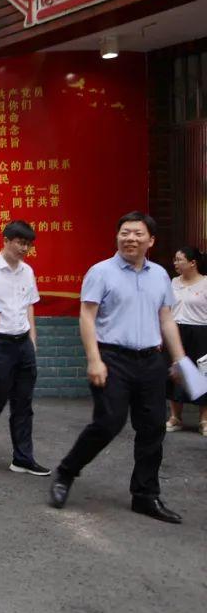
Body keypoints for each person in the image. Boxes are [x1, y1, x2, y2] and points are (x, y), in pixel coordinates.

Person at [49, 212, 188, 524]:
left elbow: (166, 318)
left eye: (138, 234)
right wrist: (94, 359)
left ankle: (145, 495)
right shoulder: (101, 272)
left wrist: (179, 359)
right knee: (108, 423)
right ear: (117, 237)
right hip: (113, 358)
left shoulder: (160, 276)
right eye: (125, 232)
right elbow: (87, 317)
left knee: (152, 428)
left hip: (151, 359)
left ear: (150, 240)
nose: (131, 238)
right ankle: (66, 472)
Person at [0, 221, 50, 476]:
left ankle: (23, 458)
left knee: (24, 403)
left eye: (28, 244)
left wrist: (33, 339)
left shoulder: (27, 271)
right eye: (20, 242)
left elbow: (29, 305)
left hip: (22, 343)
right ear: (5, 240)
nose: (24, 248)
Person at [166, 246, 207, 436]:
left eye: (179, 260)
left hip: (201, 333)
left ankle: (204, 420)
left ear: (193, 263)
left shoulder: (206, 283)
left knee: (203, 375)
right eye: (175, 259)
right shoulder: (173, 282)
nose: (175, 263)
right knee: (177, 373)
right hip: (176, 330)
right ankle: (175, 417)